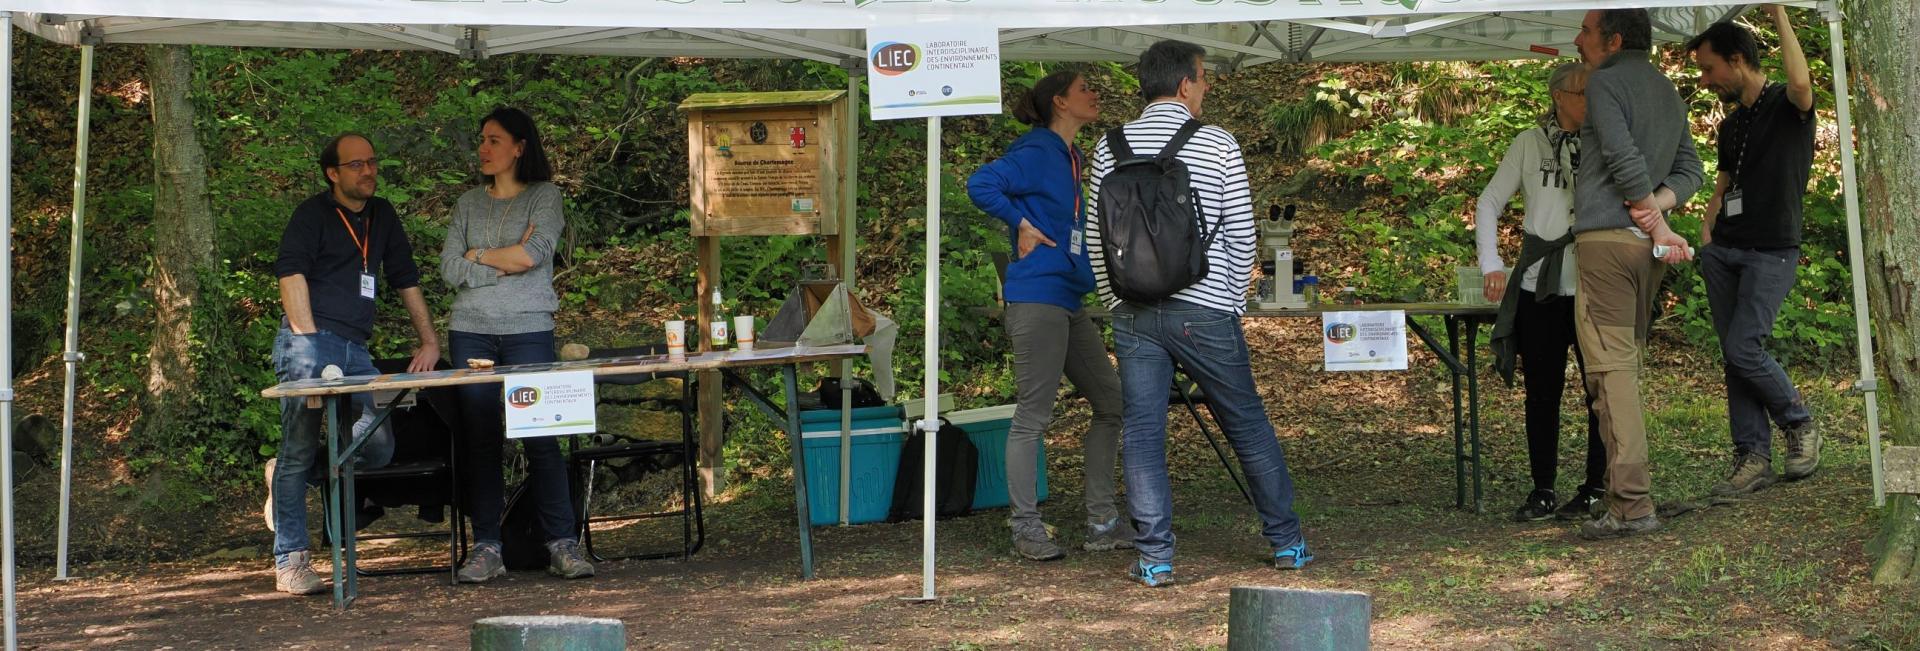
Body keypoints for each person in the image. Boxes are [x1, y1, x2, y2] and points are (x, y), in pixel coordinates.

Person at [1086, 40, 1310, 587]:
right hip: (1204, 310)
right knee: (1246, 423)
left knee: (1142, 433)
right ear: (1185, 84)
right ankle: (1287, 543)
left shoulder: (1106, 148)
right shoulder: (1216, 144)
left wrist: (1117, 300)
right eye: (1204, 78)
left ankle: (1155, 557)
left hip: (1135, 313)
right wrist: (1229, 300)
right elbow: (1239, 231)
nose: (1207, 87)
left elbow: (1096, 239)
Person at [967, 70, 1134, 561]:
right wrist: (1020, 223)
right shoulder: (1037, 150)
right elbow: (981, 184)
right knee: (1034, 415)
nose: (1095, 95)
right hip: (1036, 299)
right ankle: (1026, 527)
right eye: (1086, 89)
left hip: (1069, 299)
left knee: (1112, 403)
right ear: (1060, 102)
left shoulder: (1073, 155)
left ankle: (1102, 521)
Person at [268, 132, 441, 595]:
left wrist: (428, 341)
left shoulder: (383, 214)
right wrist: (307, 342)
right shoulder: (312, 215)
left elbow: (405, 278)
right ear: (333, 173)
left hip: (356, 349)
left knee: (378, 446)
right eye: (356, 165)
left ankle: (285, 473)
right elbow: (291, 274)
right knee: (302, 447)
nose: (368, 171)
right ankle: (291, 562)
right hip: (309, 341)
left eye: (372, 162)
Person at [439, 107, 594, 582]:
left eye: (494, 140)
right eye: (481, 139)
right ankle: (488, 546)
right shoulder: (467, 203)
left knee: (540, 435)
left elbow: (533, 254)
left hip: (529, 328)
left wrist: (478, 256)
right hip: (470, 329)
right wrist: (500, 261)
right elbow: (449, 269)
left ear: (520, 147)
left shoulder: (544, 197)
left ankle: (562, 544)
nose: (483, 149)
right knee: (480, 438)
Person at [1569, 9, 1706, 539]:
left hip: (1606, 246)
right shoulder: (1666, 88)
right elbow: (1691, 170)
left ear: (1614, 40)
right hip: (1644, 251)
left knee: (1612, 374)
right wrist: (1657, 216)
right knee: (1619, 371)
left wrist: (1648, 210)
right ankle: (1624, 500)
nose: (1577, 40)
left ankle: (1632, 503)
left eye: (1585, 31)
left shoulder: (1605, 82)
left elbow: (1623, 156)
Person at [1672, 6, 1819, 497]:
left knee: (1743, 347)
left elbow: (1802, 82)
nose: (1706, 79)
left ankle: (1798, 423)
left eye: (1709, 68)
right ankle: (1751, 455)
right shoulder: (1730, 126)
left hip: (1772, 250)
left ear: (1737, 60)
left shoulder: (1786, 105)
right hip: (1725, 252)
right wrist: (1709, 229)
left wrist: (1777, 11)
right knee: (1734, 357)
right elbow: (1724, 184)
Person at [1478, 62, 1608, 522]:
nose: (1589, 100)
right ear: (1558, 96)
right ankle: (1543, 488)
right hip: (1540, 287)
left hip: (1593, 285)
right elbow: (1489, 202)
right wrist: (1492, 264)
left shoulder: (1603, 141)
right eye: (1581, 92)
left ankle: (1598, 486)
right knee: (1542, 392)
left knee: (1601, 389)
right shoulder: (1529, 144)